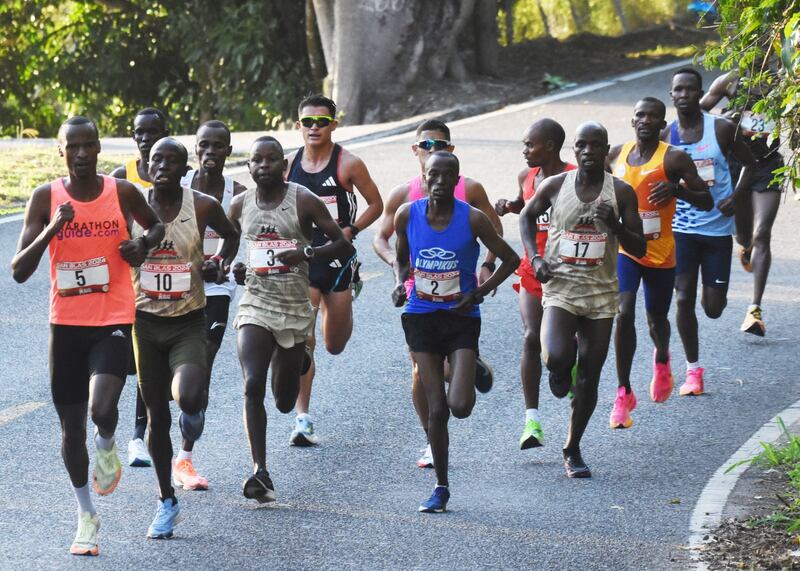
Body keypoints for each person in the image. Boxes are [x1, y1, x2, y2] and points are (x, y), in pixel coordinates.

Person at [11, 116, 164, 555]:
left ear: (99, 149)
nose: (80, 154)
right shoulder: (46, 198)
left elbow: (153, 226)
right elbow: (19, 271)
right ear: (60, 152)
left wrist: (143, 246)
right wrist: (53, 229)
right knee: (69, 429)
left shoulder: (122, 192)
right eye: (72, 147)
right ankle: (86, 516)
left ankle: (108, 442)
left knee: (102, 408)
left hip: (113, 317)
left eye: (88, 146)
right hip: (66, 324)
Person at [393, 151, 519, 513]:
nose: (439, 182)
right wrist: (402, 284)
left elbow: (511, 259)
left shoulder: (473, 219)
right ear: (425, 175)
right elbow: (402, 259)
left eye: (448, 176)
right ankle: (441, 487)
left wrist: (478, 291)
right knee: (437, 409)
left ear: (457, 179)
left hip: (461, 317)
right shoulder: (408, 214)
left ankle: (471, 366)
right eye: (433, 174)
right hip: (421, 317)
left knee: (460, 406)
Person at [229, 136, 353, 503]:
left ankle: (301, 358)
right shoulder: (239, 204)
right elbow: (227, 249)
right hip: (255, 303)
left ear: (283, 166)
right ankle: (260, 472)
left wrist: (305, 252)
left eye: (271, 160)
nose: (263, 166)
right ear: (249, 166)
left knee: (284, 400)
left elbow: (343, 244)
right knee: (252, 383)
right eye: (256, 161)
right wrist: (232, 266)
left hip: (295, 309)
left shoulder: (303, 200)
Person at [372, 118, 500, 468]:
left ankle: (462, 366)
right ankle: (432, 438)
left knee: (457, 395)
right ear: (415, 151)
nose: (433, 150)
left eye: (439, 145)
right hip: (419, 294)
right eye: (426, 146)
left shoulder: (469, 190)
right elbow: (381, 238)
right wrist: (399, 274)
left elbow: (496, 230)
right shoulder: (403, 196)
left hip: (458, 296)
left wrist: (486, 268)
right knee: (419, 369)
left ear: (451, 150)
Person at [519, 122, 645, 478]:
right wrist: (536, 258)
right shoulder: (555, 186)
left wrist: (617, 227)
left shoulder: (621, 192)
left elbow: (640, 247)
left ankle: (572, 448)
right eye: (582, 145)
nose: (588, 151)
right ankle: (560, 369)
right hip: (561, 287)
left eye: (595, 145)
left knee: (590, 375)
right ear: (573, 151)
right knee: (555, 355)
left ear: (605, 151)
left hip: (602, 294)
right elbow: (527, 218)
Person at [130, 137, 238, 539]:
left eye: (171, 161)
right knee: (158, 416)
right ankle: (165, 500)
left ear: (183, 167)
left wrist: (219, 263)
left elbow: (231, 234)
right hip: (144, 321)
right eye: (155, 159)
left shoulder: (203, 205)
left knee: (188, 396)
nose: (161, 167)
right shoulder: (133, 205)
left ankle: (193, 416)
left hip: (189, 319)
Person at [607, 98, 712, 429]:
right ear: (632, 119)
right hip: (627, 250)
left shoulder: (674, 158)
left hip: (661, 251)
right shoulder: (616, 155)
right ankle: (623, 392)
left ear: (662, 122)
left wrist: (677, 190)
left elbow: (706, 200)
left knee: (657, 319)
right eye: (640, 114)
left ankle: (663, 357)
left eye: (653, 116)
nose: (646, 120)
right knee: (623, 313)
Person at [285, 94, 383, 446]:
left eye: (321, 122)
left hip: (338, 257)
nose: (314, 128)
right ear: (298, 126)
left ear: (333, 126)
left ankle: (344, 297)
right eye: (307, 122)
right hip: (304, 258)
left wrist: (351, 229)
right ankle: (303, 418)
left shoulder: (348, 164)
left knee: (334, 344)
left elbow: (376, 203)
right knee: (304, 340)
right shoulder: (288, 165)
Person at [662, 68, 756, 396]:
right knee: (683, 298)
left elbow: (751, 164)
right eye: (678, 90)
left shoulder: (721, 129)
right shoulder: (665, 136)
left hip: (717, 229)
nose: (684, 95)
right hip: (681, 228)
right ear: (671, 95)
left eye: (690, 89)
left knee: (713, 308)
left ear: (699, 93)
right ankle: (693, 371)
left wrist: (737, 196)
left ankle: (713, 291)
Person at [167, 120, 247, 491]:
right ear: (194, 149)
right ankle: (158, 427)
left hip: (216, 290)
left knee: (202, 365)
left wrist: (226, 263)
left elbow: (235, 238)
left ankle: (185, 455)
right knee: (168, 368)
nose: (211, 152)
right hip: (173, 288)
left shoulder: (238, 194)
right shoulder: (177, 188)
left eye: (219, 146)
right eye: (205, 145)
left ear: (228, 151)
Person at [494, 118, 576, 450]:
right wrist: (511, 206)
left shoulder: (573, 175)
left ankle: (562, 369)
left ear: (551, 146)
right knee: (531, 336)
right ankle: (532, 421)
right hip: (533, 268)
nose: (525, 150)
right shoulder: (526, 176)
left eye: (530, 144)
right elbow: (526, 206)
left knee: (562, 346)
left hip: (568, 273)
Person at [700, 71, 785, 336]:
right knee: (745, 235)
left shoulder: (784, 82)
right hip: (735, 166)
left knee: (763, 234)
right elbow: (696, 111)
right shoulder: (730, 81)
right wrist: (721, 119)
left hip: (767, 166)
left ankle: (754, 309)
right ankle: (746, 246)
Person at [110, 107, 170, 468]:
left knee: (150, 363)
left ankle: (137, 436)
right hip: (126, 279)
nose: (144, 139)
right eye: (138, 133)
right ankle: (112, 426)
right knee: (126, 363)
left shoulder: (179, 173)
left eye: (152, 132)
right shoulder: (123, 177)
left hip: (165, 278)